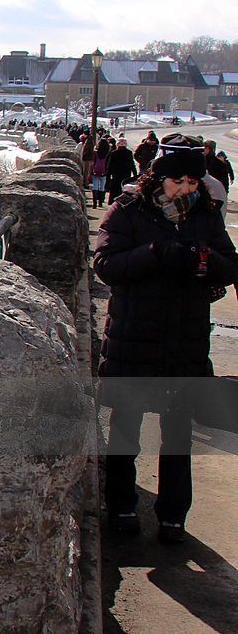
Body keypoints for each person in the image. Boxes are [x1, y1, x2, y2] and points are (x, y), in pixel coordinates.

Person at [94, 134, 238, 544]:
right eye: (180, 182)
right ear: (158, 178)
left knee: (178, 434)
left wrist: (205, 262)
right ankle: (121, 507)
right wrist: (154, 253)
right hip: (134, 337)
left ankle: (174, 515)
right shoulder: (127, 211)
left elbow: (232, 266)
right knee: (126, 429)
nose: (187, 190)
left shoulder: (205, 216)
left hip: (184, 341)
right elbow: (106, 265)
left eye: (194, 183)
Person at [106, 137, 137, 204]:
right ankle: (123, 203)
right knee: (123, 189)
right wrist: (135, 174)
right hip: (126, 174)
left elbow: (110, 165)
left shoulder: (114, 153)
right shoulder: (129, 153)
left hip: (116, 174)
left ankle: (113, 203)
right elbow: (132, 164)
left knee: (115, 190)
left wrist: (108, 176)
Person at [91, 138, 111, 208]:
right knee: (102, 187)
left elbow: (93, 162)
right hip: (104, 172)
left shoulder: (96, 152)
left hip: (95, 171)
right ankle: (100, 202)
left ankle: (94, 203)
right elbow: (108, 164)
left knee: (95, 186)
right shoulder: (108, 153)